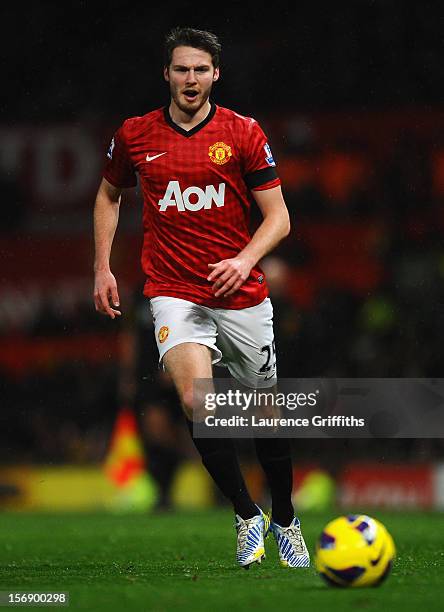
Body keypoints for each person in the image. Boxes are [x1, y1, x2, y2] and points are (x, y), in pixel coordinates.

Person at [93, 26, 309, 569]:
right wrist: (101, 266)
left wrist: (244, 260)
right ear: (166, 74)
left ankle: (285, 518)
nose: (191, 79)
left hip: (240, 291)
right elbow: (108, 194)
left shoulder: (242, 133)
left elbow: (278, 217)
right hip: (172, 289)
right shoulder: (136, 135)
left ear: (216, 74)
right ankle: (245, 515)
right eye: (182, 69)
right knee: (197, 402)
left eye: (201, 69)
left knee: (264, 412)